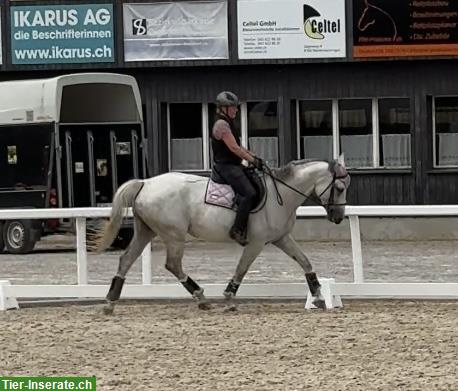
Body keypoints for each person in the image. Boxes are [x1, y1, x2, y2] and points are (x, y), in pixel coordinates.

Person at [211, 91, 264, 246]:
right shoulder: (221, 125)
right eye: (232, 107)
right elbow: (234, 148)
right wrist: (252, 160)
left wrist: (254, 157)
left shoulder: (228, 123)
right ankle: (237, 230)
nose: (236, 110)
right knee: (249, 193)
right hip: (225, 166)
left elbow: (239, 147)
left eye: (235, 107)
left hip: (233, 164)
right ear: (223, 109)